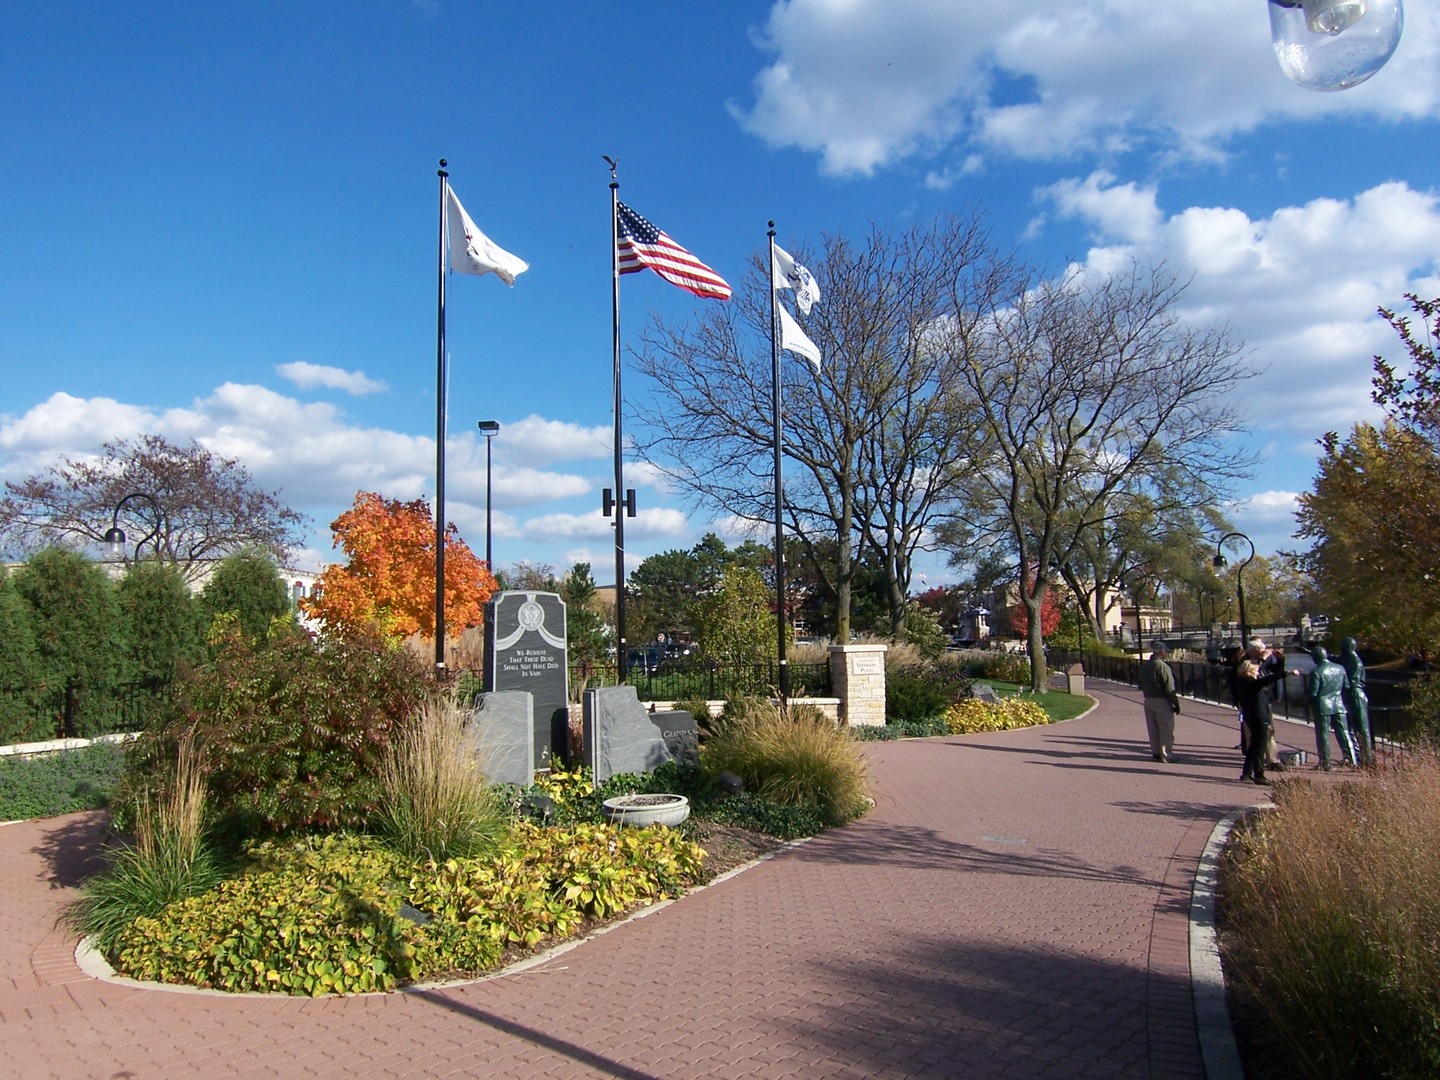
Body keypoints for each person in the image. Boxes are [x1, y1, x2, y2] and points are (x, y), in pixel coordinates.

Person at [1233, 651, 1299, 785]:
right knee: (1260, 746)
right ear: (1249, 672)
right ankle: (1259, 774)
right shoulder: (1250, 684)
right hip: (1259, 716)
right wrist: (1287, 673)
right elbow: (1267, 679)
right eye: (1256, 671)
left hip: (1251, 716)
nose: (1258, 673)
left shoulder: (1241, 683)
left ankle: (1246, 773)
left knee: (1253, 745)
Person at [1309, 645, 1358, 770]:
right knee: (1344, 733)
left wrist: (1303, 701)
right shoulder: (1340, 668)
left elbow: (1313, 693)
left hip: (1323, 706)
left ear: (1315, 658)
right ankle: (1351, 759)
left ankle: (1325, 762)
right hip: (1339, 704)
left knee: (1323, 735)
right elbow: (1346, 686)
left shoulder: (1317, 672)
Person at [1139, 641, 1181, 762]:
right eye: (1165, 651)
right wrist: (1175, 703)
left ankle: (1156, 752)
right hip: (1161, 700)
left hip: (1148, 699)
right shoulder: (1162, 666)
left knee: (1153, 728)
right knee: (1165, 728)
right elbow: (1169, 687)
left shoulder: (1145, 666)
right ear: (1161, 652)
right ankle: (1166, 754)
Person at [1339, 636, 1374, 765]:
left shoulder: (1355, 662)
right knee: (1352, 727)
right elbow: (1335, 658)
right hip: (1350, 695)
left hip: (1356, 695)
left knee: (1362, 728)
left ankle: (1367, 759)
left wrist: (1337, 683)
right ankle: (1357, 757)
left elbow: (1351, 682)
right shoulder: (1346, 658)